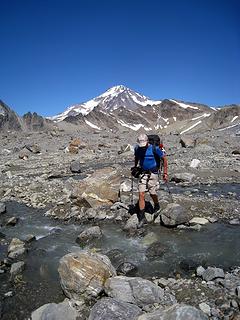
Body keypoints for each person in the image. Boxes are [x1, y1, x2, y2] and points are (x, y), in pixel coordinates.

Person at [132, 133, 168, 228]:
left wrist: (165, 173)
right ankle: (142, 218)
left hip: (153, 173)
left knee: (152, 192)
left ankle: (157, 205)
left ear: (147, 142)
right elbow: (136, 157)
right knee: (141, 193)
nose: (142, 148)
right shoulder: (137, 148)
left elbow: (164, 159)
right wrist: (135, 167)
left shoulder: (154, 148)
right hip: (143, 172)